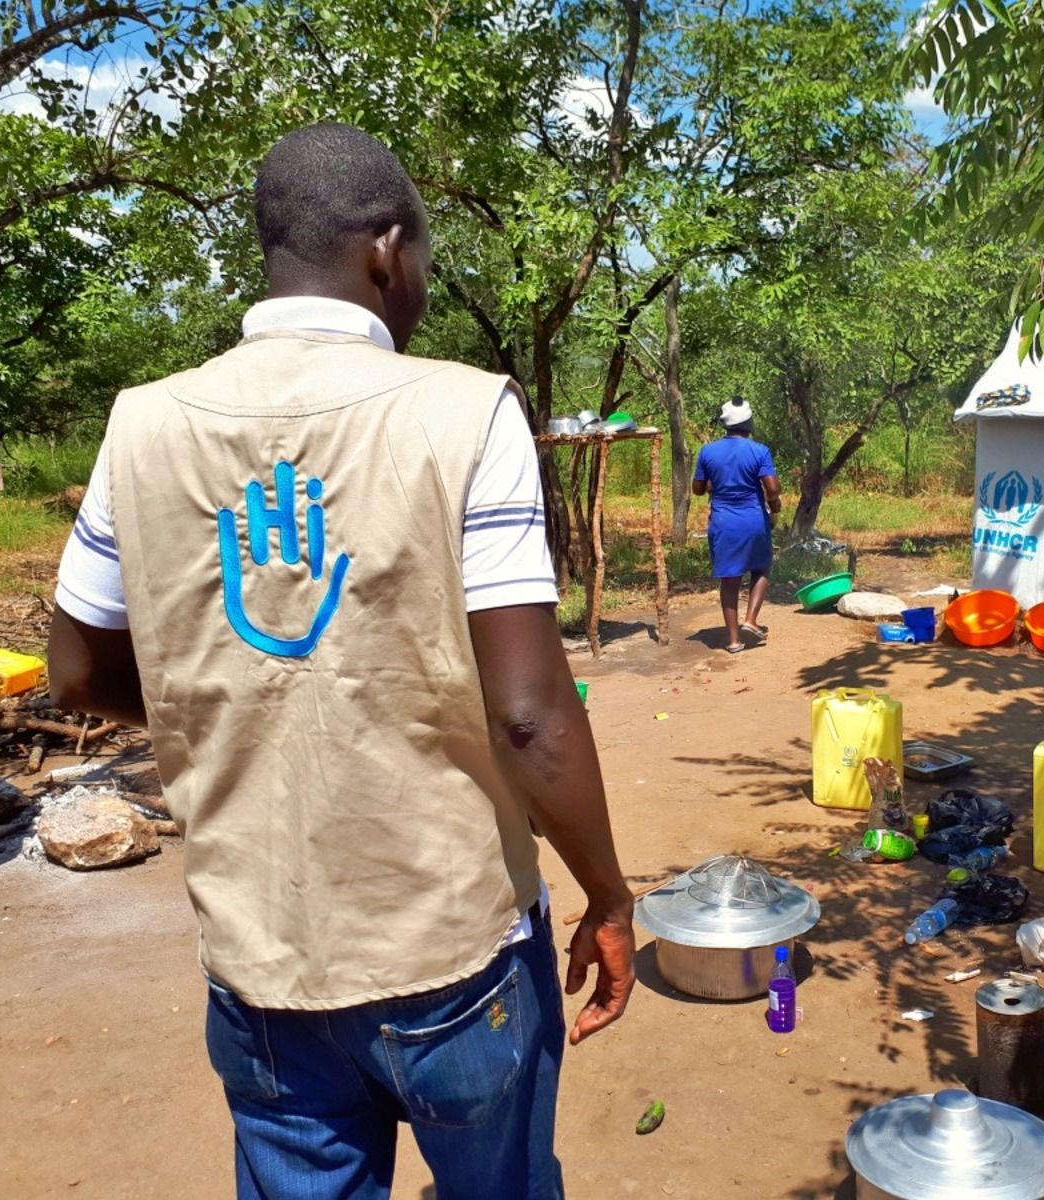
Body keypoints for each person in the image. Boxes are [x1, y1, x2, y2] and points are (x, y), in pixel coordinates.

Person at [46, 124, 635, 1200]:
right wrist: (608, 895)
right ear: (386, 246)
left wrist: (217, 697)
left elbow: (77, 675)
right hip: (452, 948)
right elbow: (530, 716)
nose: (418, 284)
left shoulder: (140, 426)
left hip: (262, 961)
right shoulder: (468, 412)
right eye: (421, 261)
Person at [692, 397, 780, 653]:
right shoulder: (759, 450)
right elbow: (772, 490)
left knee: (729, 581)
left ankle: (733, 640)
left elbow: (698, 489)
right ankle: (751, 620)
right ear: (749, 422)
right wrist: (775, 507)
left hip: (723, 522)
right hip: (753, 520)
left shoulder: (708, 451)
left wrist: (713, 483)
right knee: (762, 568)